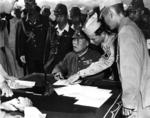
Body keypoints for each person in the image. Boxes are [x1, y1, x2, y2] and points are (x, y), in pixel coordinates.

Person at [99, 0, 150, 117]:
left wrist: (128, 104)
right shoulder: (130, 26)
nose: (105, 22)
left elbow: (131, 70)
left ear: (110, 13)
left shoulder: (125, 31)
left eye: (104, 17)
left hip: (139, 101)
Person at [67, 13, 116, 84]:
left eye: (93, 39)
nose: (91, 42)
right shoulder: (105, 43)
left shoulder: (114, 42)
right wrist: (80, 74)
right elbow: (104, 61)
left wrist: (81, 74)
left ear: (102, 33)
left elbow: (105, 62)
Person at [16, 0, 49, 74]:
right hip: (29, 58)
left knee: (43, 80)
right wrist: (21, 54)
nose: (29, 7)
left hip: (43, 58)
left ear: (35, 4)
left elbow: (49, 38)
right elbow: (20, 39)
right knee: (30, 81)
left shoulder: (45, 20)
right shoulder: (22, 21)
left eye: (31, 4)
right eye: (27, 4)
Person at [44, 3, 74, 73]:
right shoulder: (51, 30)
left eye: (61, 16)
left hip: (64, 70)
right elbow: (46, 49)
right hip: (49, 68)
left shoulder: (72, 33)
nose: (58, 19)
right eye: (57, 16)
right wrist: (45, 64)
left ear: (66, 16)